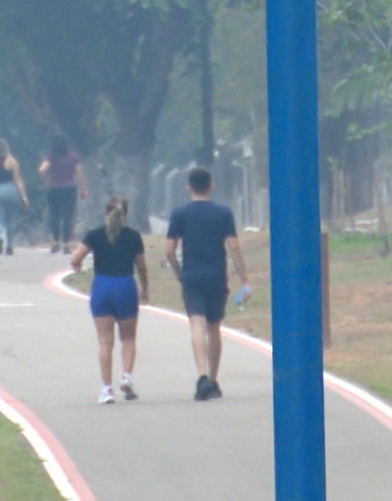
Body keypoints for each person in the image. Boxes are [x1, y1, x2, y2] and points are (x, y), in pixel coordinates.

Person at [164, 167, 251, 401]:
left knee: (196, 324)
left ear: (188, 188)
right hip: (216, 275)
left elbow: (169, 250)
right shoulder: (223, 213)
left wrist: (179, 273)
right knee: (214, 328)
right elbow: (233, 247)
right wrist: (244, 280)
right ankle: (212, 379)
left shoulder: (180, 214)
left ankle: (201, 375)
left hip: (192, 274)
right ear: (211, 185)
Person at [71, 196, 149, 403]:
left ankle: (107, 390)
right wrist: (146, 287)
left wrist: (78, 267)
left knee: (105, 342)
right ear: (126, 214)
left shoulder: (95, 235)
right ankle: (127, 378)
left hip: (103, 286)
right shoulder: (133, 236)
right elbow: (141, 265)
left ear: (106, 213)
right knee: (129, 338)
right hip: (125, 285)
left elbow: (75, 258)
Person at [39, 134, 88, 254]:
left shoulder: (51, 156)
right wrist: (83, 189)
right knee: (68, 216)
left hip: (54, 188)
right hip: (69, 189)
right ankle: (66, 244)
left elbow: (41, 170)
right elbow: (79, 174)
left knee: (54, 215)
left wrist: (46, 180)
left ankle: (56, 242)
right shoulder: (72, 156)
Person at [0, 138, 30, 256]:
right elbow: (18, 180)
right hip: (11, 191)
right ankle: (9, 246)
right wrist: (23, 196)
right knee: (10, 221)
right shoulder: (12, 161)